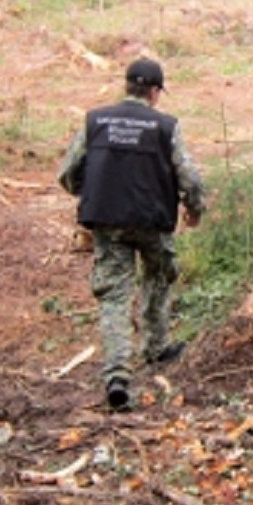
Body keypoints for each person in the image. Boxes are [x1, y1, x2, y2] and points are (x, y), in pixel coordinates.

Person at [57, 58, 206, 411]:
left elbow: (67, 173)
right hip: (152, 220)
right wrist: (194, 209)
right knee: (158, 276)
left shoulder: (96, 121)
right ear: (154, 92)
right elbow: (191, 178)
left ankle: (117, 375)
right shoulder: (165, 126)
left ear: (127, 86)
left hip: (108, 221)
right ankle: (156, 347)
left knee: (114, 295)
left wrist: (94, 190)